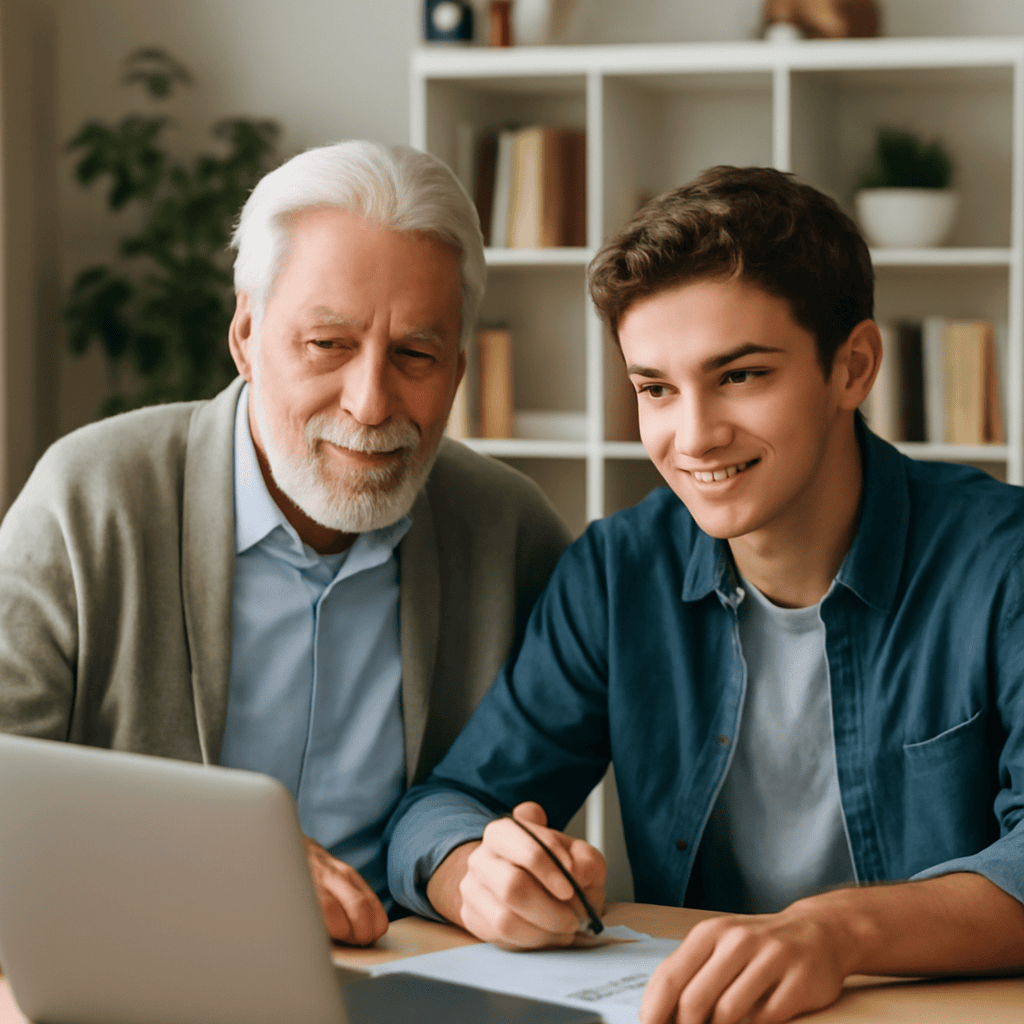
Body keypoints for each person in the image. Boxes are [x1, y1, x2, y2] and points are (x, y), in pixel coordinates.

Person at [386, 165, 1024, 1023]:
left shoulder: (1004, 562)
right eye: (655, 388)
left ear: (854, 367)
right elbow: (442, 807)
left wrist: (833, 934)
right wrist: (478, 872)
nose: (693, 436)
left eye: (741, 376)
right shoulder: (619, 573)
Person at [0, 141, 570, 947]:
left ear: (460, 370)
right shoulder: (89, 499)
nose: (371, 404)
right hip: (143, 971)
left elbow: (515, 811)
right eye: (327, 345)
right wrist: (204, 859)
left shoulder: (514, 535)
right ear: (245, 334)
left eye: (415, 354)